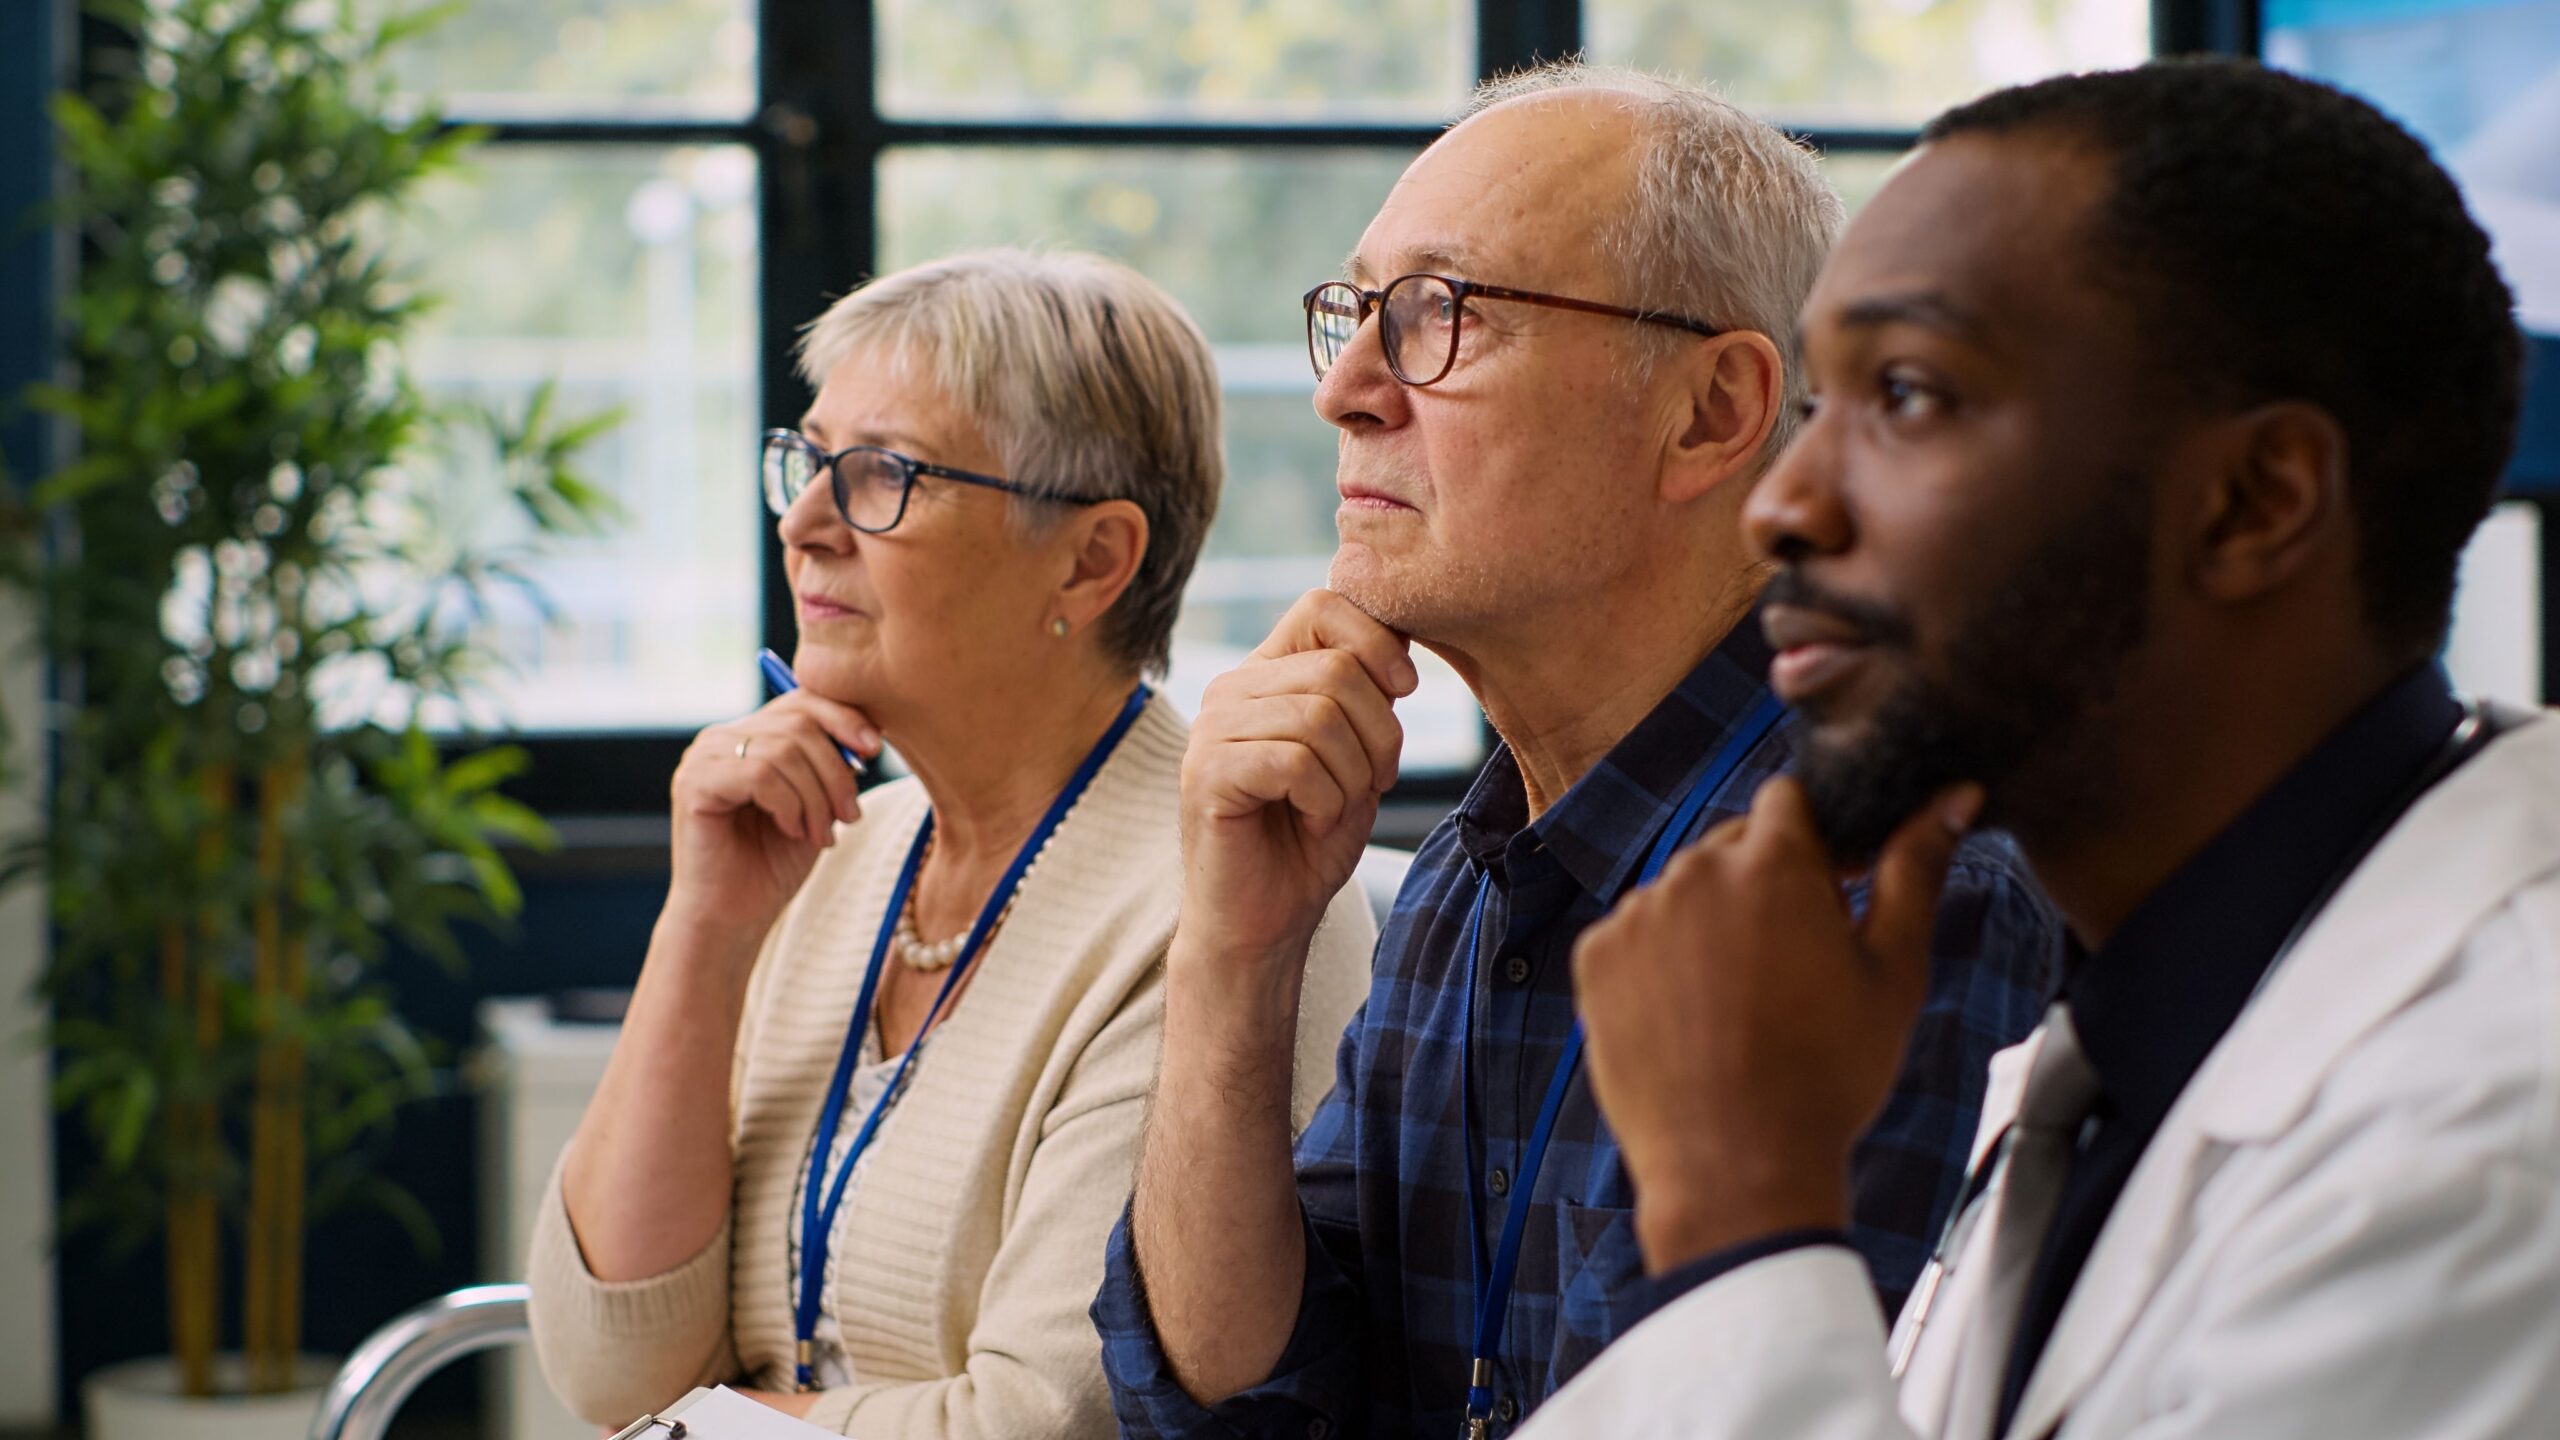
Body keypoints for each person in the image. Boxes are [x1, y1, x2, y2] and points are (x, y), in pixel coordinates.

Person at [1526, 59, 2560, 1440]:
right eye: (1821, 407)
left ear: (2253, 503)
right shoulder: (2130, 1033)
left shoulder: (2493, 1128)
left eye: (1907, 392)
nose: (1783, 503)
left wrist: (1741, 1211)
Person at [1093, 65, 2064, 1439]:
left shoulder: (1893, 885)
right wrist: (1236, 957)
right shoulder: (1468, 878)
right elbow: (1231, 1413)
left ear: (1714, 414)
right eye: (1357, 315)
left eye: (1442, 316)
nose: (1350, 394)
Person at [524, 248, 1374, 1440]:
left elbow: (1048, 1421)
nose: (807, 523)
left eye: (880, 477)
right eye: (808, 463)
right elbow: (609, 1370)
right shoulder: (830, 856)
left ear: (1092, 558)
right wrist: (705, 928)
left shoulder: (1233, 899)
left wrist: (709, 1423)